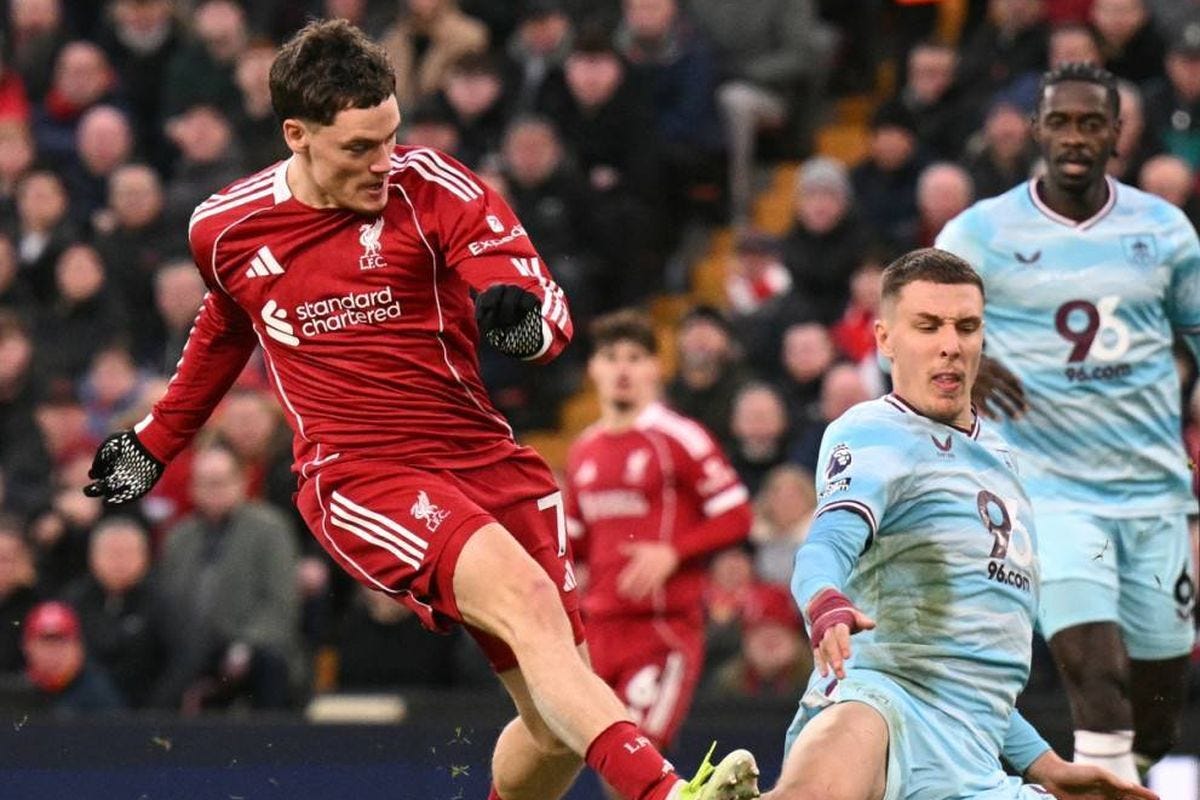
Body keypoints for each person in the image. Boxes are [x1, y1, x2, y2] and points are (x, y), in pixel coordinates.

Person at [81, 20, 758, 800]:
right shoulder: (224, 227)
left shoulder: (435, 187)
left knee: (555, 726)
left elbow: (543, 309)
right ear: (297, 135)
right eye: (359, 148)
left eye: (390, 136)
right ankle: (666, 794)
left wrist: (521, 327)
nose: (383, 162)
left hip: (485, 461)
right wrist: (155, 440)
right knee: (529, 605)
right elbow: (227, 324)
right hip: (363, 474)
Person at [764, 248, 1154, 800]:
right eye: (928, 326)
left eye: (966, 327)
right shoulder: (874, 431)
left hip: (974, 761)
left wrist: (1044, 764)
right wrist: (825, 599)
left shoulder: (1003, 460)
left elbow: (974, 679)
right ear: (885, 340)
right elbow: (827, 541)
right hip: (880, 704)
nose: (950, 343)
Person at [936, 63, 1199, 783]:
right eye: (1060, 122)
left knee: (1158, 709)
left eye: (1091, 123)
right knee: (1096, 672)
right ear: (1036, 130)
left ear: (1119, 133)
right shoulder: (981, 231)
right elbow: (910, 317)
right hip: (1046, 493)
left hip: (1153, 492)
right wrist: (962, 360)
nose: (1075, 137)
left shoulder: (1164, 229)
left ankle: (1119, 779)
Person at [564, 310, 753, 771]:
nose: (622, 369)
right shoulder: (584, 448)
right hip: (598, 629)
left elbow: (736, 515)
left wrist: (674, 552)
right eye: (611, 357)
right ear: (593, 369)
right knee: (575, 757)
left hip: (661, 627)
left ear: (655, 367)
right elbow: (574, 543)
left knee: (636, 757)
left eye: (635, 357)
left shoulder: (678, 437)